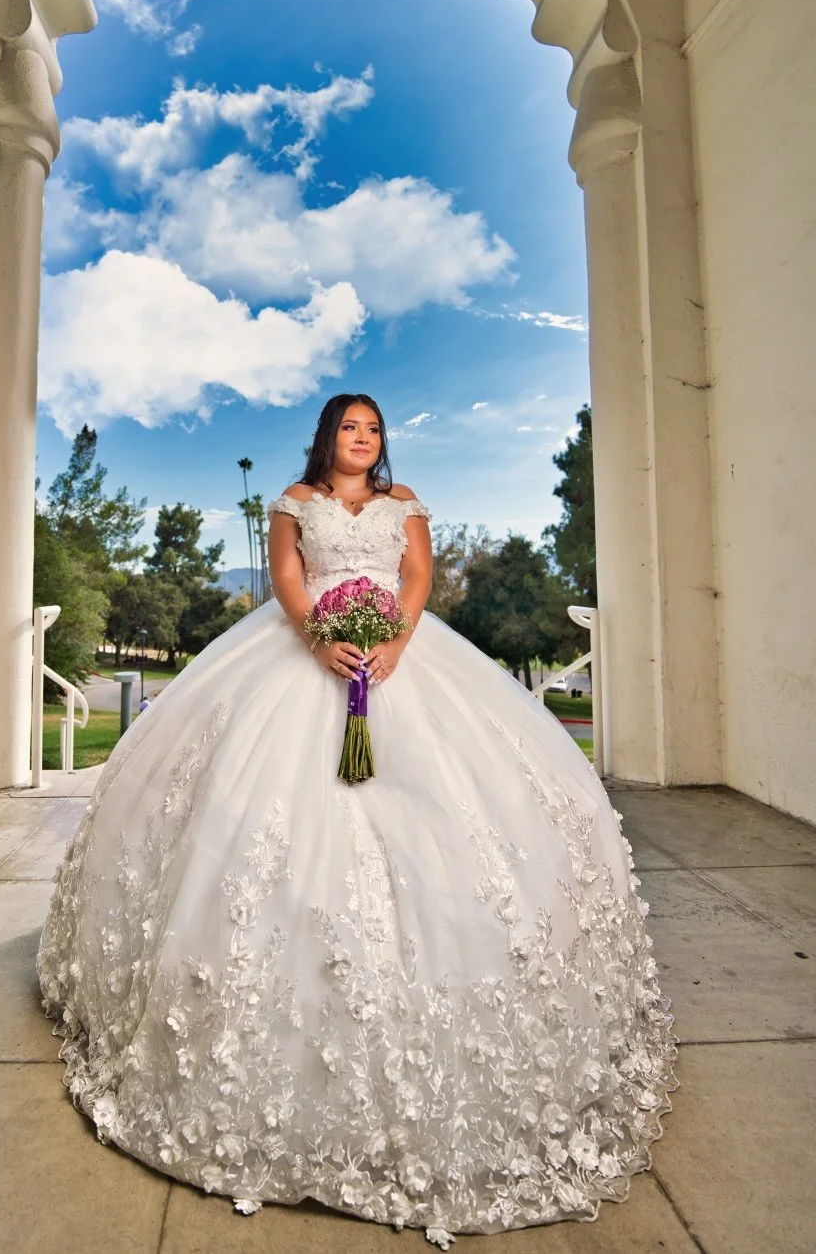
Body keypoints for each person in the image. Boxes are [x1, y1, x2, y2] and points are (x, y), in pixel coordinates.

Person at [38, 394, 676, 1246]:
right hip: (304, 649)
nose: (362, 439)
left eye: (372, 429)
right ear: (327, 437)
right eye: (350, 427)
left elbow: (418, 578)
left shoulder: (404, 500)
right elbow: (289, 581)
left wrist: (395, 644)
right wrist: (319, 639)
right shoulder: (293, 506)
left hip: (399, 650)